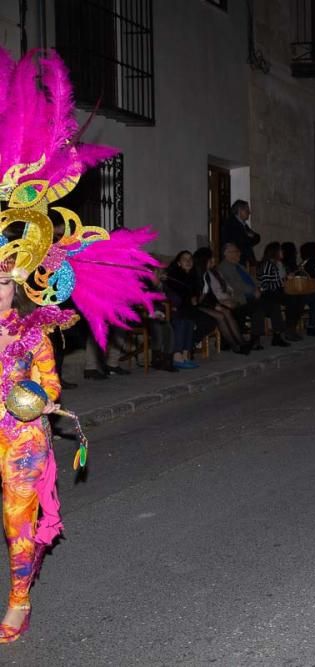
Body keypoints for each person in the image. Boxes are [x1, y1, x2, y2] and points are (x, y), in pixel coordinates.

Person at [0, 46, 160, 642]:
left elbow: (47, 380)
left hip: (17, 434)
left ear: (21, 279)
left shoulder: (34, 327)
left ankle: (18, 599)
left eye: (4, 283)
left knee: (19, 522)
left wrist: (36, 401)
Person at [192, 248, 251, 354]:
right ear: (205, 260)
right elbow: (198, 298)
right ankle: (234, 345)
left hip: (206, 304)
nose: (213, 260)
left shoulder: (206, 275)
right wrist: (215, 305)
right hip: (197, 305)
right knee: (220, 315)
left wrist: (216, 304)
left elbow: (210, 295)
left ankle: (241, 342)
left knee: (226, 312)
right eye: (211, 259)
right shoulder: (196, 275)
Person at [219, 200, 260, 266]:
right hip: (235, 262)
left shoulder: (243, 224)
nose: (249, 212)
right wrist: (249, 237)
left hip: (243, 261)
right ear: (240, 210)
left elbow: (257, 237)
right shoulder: (231, 224)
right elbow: (242, 242)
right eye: (247, 210)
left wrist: (249, 238)